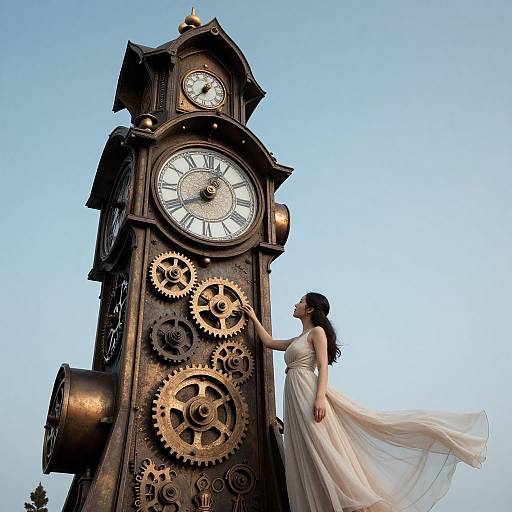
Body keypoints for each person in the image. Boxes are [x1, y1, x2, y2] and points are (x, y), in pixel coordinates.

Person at [241, 292, 488, 512]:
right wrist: (252, 317)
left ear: (310, 309)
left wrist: (319, 398)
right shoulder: (300, 337)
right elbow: (269, 343)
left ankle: (352, 502)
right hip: (294, 393)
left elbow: (324, 367)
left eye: (301, 301)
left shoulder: (317, 333)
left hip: (308, 392)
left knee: (321, 447)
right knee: (305, 449)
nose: (295, 304)